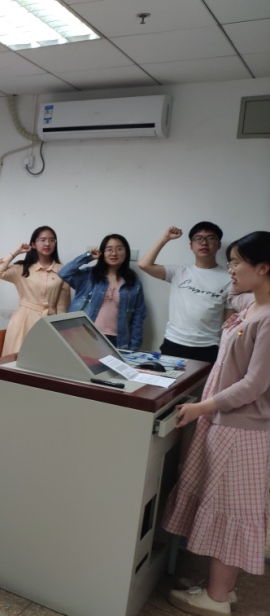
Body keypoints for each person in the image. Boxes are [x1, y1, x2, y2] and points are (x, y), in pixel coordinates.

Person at [163, 230, 270, 616]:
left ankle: (217, 599)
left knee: (230, 513)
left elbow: (254, 385)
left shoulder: (268, 318)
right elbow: (226, 295)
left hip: (241, 429)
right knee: (224, 506)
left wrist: (201, 408)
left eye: (236, 262)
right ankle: (221, 587)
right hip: (225, 421)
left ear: (263, 267)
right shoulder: (252, 304)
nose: (231, 270)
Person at [139, 222, 233, 363]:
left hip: (208, 347)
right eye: (198, 238)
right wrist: (165, 238)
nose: (204, 242)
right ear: (191, 246)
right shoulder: (179, 271)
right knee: (170, 378)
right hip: (174, 342)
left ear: (219, 244)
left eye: (210, 238)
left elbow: (229, 323)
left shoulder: (230, 279)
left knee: (204, 379)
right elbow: (144, 264)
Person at [58, 234, 146, 350]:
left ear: (126, 253)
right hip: (85, 336)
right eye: (109, 249)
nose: (114, 253)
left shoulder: (133, 282)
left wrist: (134, 347)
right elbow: (64, 273)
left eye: (119, 249)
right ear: (102, 252)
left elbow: (138, 317)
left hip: (117, 341)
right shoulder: (89, 276)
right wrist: (88, 257)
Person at [0, 226, 71, 355]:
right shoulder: (22, 268)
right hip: (23, 321)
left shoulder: (62, 270)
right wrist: (16, 252)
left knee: (43, 360)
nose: (47, 243)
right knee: (16, 360)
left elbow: (63, 305)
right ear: (33, 244)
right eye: (43, 240)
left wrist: (61, 328)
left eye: (51, 240)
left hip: (49, 321)